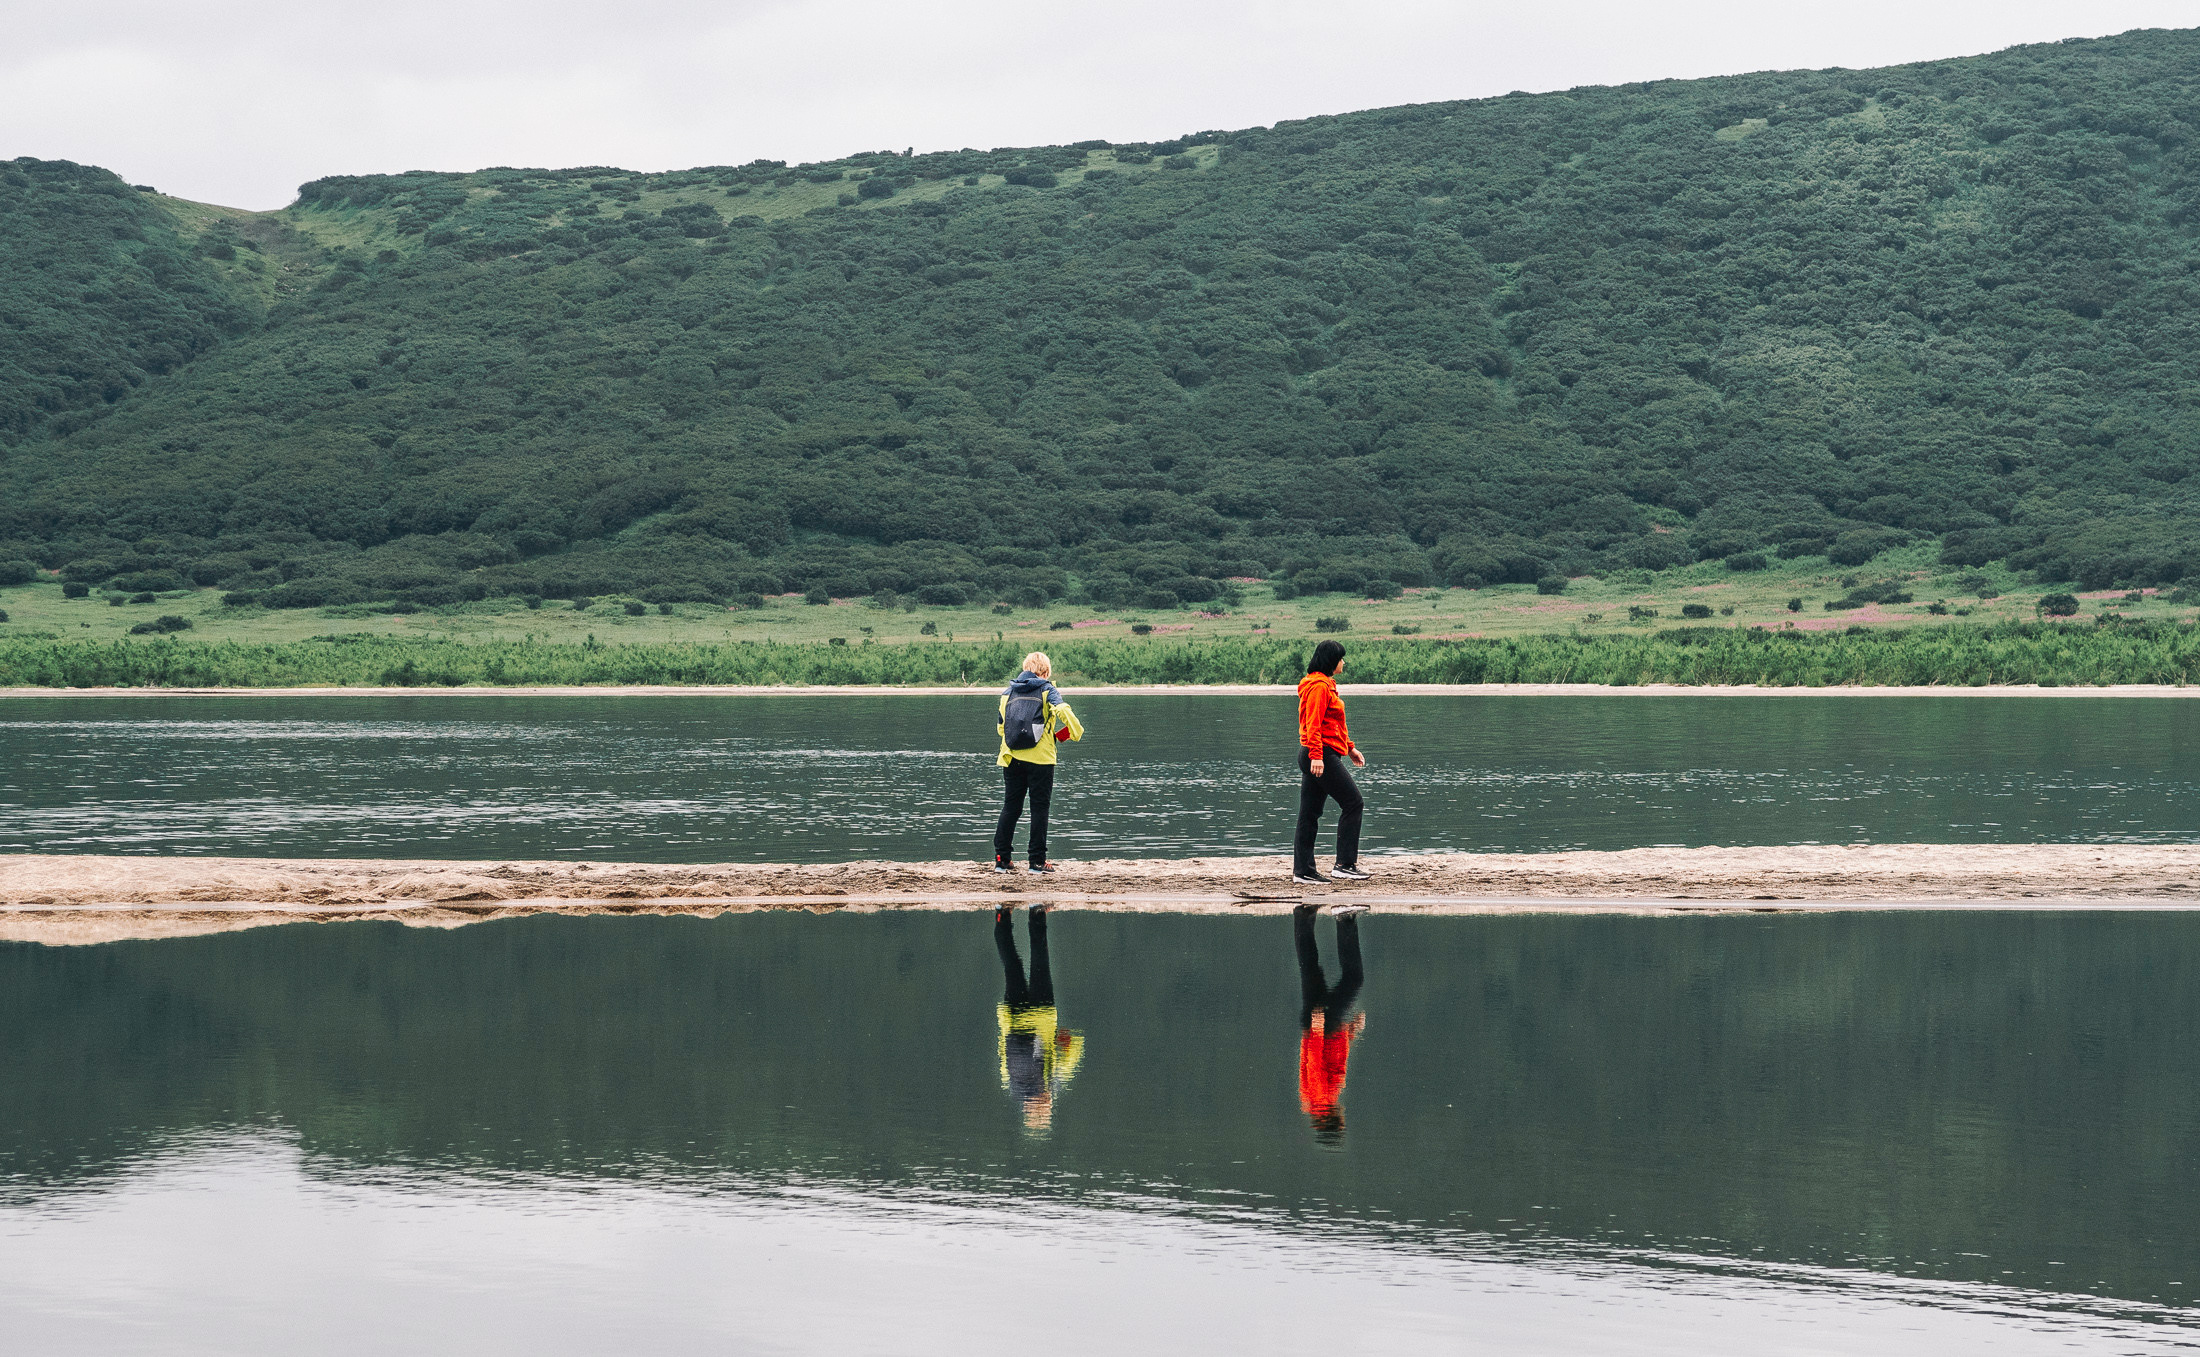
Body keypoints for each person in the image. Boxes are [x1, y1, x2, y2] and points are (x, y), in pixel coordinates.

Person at [996, 904, 1084, 1135]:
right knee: (1011, 964)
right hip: (1013, 1015)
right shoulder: (1010, 1083)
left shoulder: (1051, 1081)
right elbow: (1003, 1049)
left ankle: (1037, 912)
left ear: (1045, 1105)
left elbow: (1073, 1045)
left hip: (1042, 1014)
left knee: (1039, 958)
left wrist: (1062, 1038)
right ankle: (1001, 914)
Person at [994, 651, 1085, 874]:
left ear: (1026, 668)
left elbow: (1000, 728)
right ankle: (1036, 861)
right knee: (1039, 809)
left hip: (1011, 757)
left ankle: (1002, 859)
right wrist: (1073, 732)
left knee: (1011, 808)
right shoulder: (1047, 689)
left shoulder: (1009, 692)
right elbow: (1062, 710)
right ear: (1045, 672)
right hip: (1041, 760)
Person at [1294, 638, 1369, 885]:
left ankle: (1303, 871)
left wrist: (1350, 748)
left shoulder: (1326, 685)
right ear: (1332, 661)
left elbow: (1334, 724)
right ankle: (1345, 865)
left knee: (1309, 814)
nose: (1343, 662)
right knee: (1353, 802)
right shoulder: (1318, 687)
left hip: (1321, 752)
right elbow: (1313, 723)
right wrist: (1317, 756)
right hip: (1320, 754)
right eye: (1341, 658)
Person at [1295, 901, 1368, 1147]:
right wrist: (1351, 1031)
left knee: (1354, 979)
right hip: (1316, 1027)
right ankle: (1303, 916)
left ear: (1334, 1120)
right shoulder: (1309, 1100)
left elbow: (1316, 1062)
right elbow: (1332, 1058)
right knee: (1310, 968)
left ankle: (1345, 919)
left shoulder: (1323, 1096)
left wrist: (1317, 1031)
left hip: (1322, 1028)